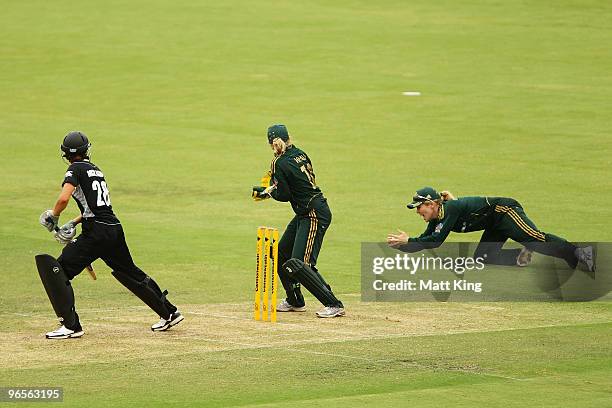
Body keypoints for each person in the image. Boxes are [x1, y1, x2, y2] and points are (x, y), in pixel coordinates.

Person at [37, 131, 184, 339]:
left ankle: (71, 327)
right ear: (87, 150)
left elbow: (63, 199)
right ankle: (169, 312)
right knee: (130, 272)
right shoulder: (96, 171)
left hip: (96, 231)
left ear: (66, 155)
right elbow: (98, 206)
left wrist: (54, 216)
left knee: (58, 270)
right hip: (113, 228)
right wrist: (74, 221)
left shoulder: (74, 169)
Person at [252, 124, 345, 318]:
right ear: (288, 138)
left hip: (313, 213)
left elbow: (284, 194)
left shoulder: (279, 162)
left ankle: (333, 304)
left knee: (301, 263)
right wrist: (271, 190)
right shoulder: (299, 153)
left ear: (271, 143)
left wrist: (267, 193)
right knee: (280, 254)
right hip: (307, 211)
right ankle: (295, 301)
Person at [387, 186, 595, 271]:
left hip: (504, 211)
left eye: (420, 207)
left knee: (534, 238)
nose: (417, 211)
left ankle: (579, 252)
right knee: (484, 258)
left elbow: (436, 241)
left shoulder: (450, 209)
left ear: (432, 204)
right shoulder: (438, 218)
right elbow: (426, 241)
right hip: (493, 223)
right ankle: (522, 256)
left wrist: (409, 241)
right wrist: (401, 246)